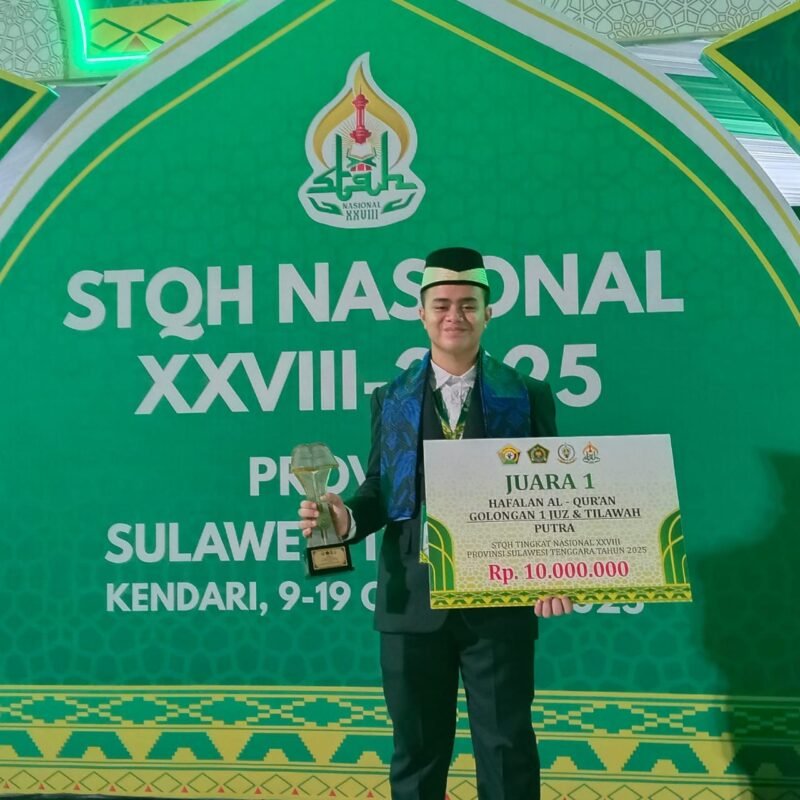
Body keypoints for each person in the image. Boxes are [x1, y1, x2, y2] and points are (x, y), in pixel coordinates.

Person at [299, 247, 572, 800]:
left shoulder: (526, 394)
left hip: (499, 604)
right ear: (421, 313)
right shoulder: (391, 398)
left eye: (468, 304)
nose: (455, 316)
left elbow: (551, 498)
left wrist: (554, 570)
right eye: (442, 304)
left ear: (488, 313)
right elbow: (380, 490)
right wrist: (345, 518)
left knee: (508, 751)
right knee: (416, 756)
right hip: (411, 603)